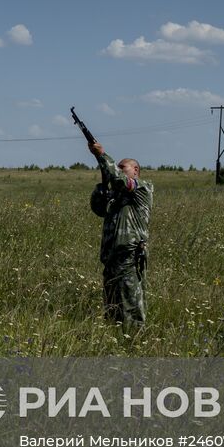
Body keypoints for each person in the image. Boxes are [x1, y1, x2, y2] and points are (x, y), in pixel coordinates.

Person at [87, 140, 152, 326]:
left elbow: (120, 180)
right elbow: (98, 208)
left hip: (128, 258)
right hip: (110, 258)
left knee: (131, 306)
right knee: (111, 307)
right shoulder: (116, 197)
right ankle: (114, 339)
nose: (118, 169)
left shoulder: (142, 188)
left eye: (122, 167)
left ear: (135, 171)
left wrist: (100, 155)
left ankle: (134, 341)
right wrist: (102, 187)